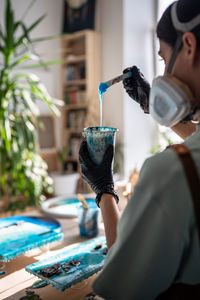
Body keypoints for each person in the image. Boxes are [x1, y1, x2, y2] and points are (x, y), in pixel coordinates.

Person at [79, 0, 200, 299]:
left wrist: (105, 191)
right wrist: (151, 105)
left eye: (163, 59)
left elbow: (122, 285)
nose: (164, 72)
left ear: (189, 45)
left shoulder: (171, 173)